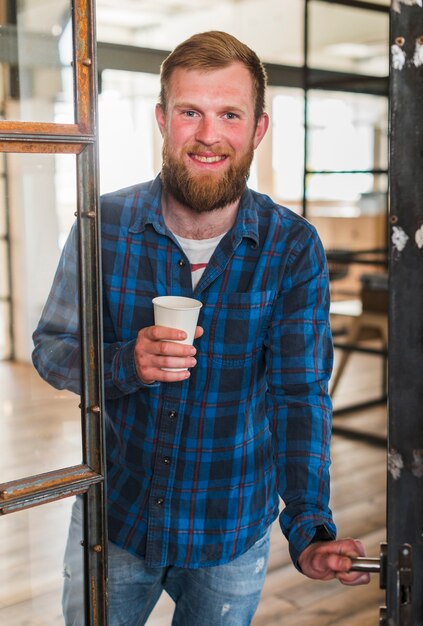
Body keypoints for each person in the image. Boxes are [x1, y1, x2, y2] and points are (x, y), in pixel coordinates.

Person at [32, 30, 370, 626]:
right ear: (162, 120)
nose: (209, 134)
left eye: (230, 114)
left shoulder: (292, 246)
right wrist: (123, 364)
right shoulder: (102, 221)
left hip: (230, 529)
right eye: (191, 112)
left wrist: (311, 524)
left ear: (258, 129)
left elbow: (300, 396)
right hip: (117, 515)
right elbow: (51, 348)